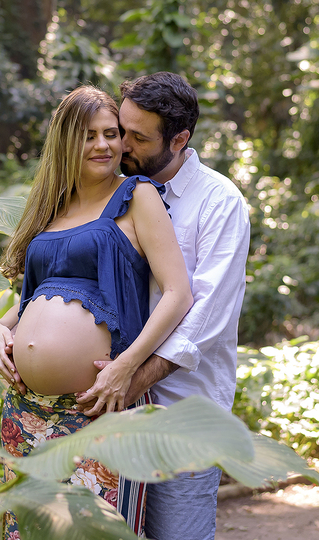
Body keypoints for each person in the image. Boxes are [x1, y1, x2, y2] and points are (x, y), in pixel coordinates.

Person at [0, 85, 194, 537]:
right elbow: (34, 296)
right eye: (89, 135)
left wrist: (126, 366)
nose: (104, 145)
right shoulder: (51, 206)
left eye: (111, 133)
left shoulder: (137, 194)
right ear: (66, 141)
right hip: (26, 409)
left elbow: (179, 293)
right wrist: (0, 329)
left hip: (97, 408)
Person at [75, 72, 251, 540]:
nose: (121, 146)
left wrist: (129, 381)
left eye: (137, 137)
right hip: (108, 414)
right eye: (120, 129)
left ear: (179, 140)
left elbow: (205, 320)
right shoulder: (111, 191)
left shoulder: (219, 203)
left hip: (181, 418)